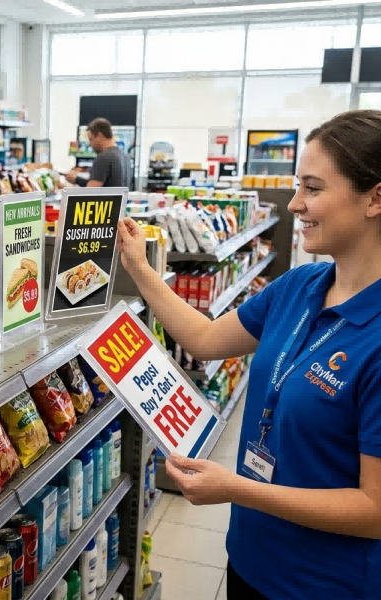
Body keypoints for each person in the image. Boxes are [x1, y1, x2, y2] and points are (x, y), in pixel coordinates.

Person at [116, 110, 381, 599]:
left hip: (323, 585)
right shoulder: (300, 285)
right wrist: (138, 266)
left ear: (375, 197)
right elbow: (206, 339)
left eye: (313, 188)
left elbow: (375, 510)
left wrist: (236, 488)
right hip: (250, 559)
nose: (296, 203)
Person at [65, 118, 132, 189]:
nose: (90, 145)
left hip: (107, 200)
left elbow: (91, 191)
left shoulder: (103, 157)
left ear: (99, 136)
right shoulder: (124, 156)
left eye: (91, 139)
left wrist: (76, 180)